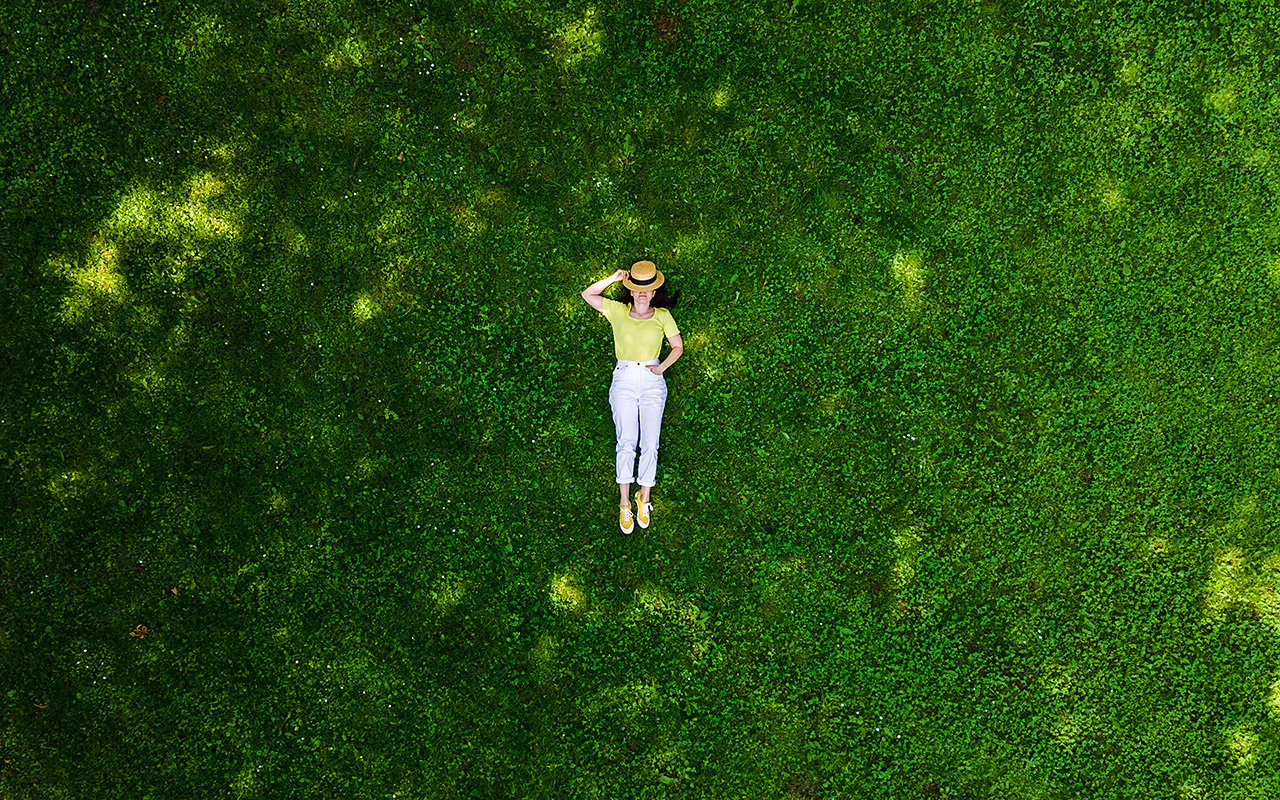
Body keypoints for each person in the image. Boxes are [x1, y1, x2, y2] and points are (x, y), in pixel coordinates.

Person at [580, 260, 684, 533]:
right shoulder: (618, 311)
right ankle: (625, 502)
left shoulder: (662, 316)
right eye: (636, 288)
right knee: (626, 441)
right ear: (630, 291)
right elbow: (588, 295)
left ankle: (643, 497)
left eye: (646, 289)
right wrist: (613, 278)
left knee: (650, 443)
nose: (641, 293)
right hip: (624, 377)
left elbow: (677, 346)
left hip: (652, 380)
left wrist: (661, 368)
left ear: (653, 293)